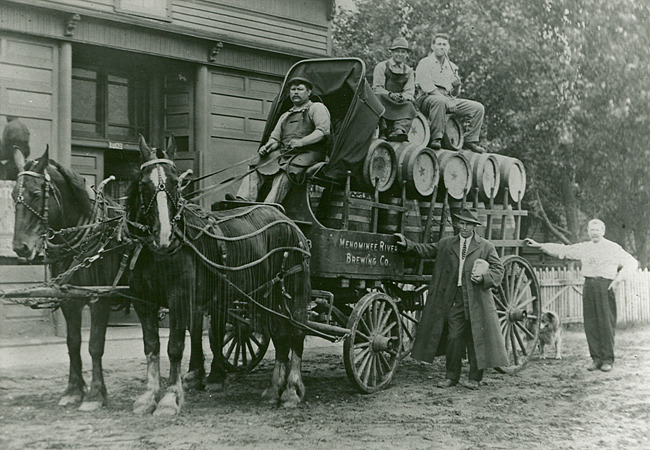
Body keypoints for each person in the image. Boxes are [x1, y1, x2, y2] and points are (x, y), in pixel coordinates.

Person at [395, 208, 508, 389]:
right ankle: (451, 377)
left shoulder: (486, 246)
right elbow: (426, 250)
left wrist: (484, 278)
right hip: (455, 299)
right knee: (454, 337)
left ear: (474, 226)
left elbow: (498, 269)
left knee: (475, 338)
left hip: (477, 300)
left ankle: (474, 379)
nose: (463, 227)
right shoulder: (447, 244)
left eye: (467, 224)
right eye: (461, 223)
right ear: (457, 224)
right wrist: (408, 245)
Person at [525, 219, 638, 372]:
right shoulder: (584, 247)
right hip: (589, 286)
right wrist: (541, 246)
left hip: (606, 286)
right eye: (592, 229)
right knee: (590, 324)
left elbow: (632, 262)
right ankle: (596, 359)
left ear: (603, 231)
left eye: (597, 229)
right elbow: (564, 250)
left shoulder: (613, 248)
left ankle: (607, 360)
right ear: (588, 232)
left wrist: (618, 280)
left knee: (605, 323)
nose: (594, 232)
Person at [234, 76, 331, 204]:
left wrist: (301, 142)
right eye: (293, 89)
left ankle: (269, 206)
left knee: (286, 169)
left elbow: (323, 131)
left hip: (310, 153)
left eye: (300, 89)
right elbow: (275, 138)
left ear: (308, 92)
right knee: (256, 162)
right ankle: (244, 200)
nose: (295, 92)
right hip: (286, 152)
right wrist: (268, 146)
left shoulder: (316, 108)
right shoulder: (286, 115)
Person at [415, 33, 485, 153]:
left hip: (447, 98)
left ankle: (470, 140)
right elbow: (427, 87)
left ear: (448, 47)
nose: (442, 47)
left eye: (444, 44)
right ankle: (436, 138)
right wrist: (447, 100)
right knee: (440, 101)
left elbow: (454, 94)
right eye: (439, 44)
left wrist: (457, 87)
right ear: (433, 46)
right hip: (427, 98)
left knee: (478, 108)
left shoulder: (452, 67)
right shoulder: (425, 62)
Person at [372, 37, 417, 142]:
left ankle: (400, 130)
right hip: (385, 98)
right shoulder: (382, 66)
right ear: (392, 52)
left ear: (407, 54)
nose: (400, 54)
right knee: (377, 98)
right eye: (397, 51)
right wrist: (390, 95)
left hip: (398, 102)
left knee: (410, 105)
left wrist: (402, 97)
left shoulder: (409, 71)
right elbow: (377, 88)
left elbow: (409, 91)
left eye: (403, 52)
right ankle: (383, 129)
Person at [0, 116, 30, 180]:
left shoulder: (10, 126)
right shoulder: (23, 126)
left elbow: (4, 144)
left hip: (15, 153)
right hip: (22, 153)